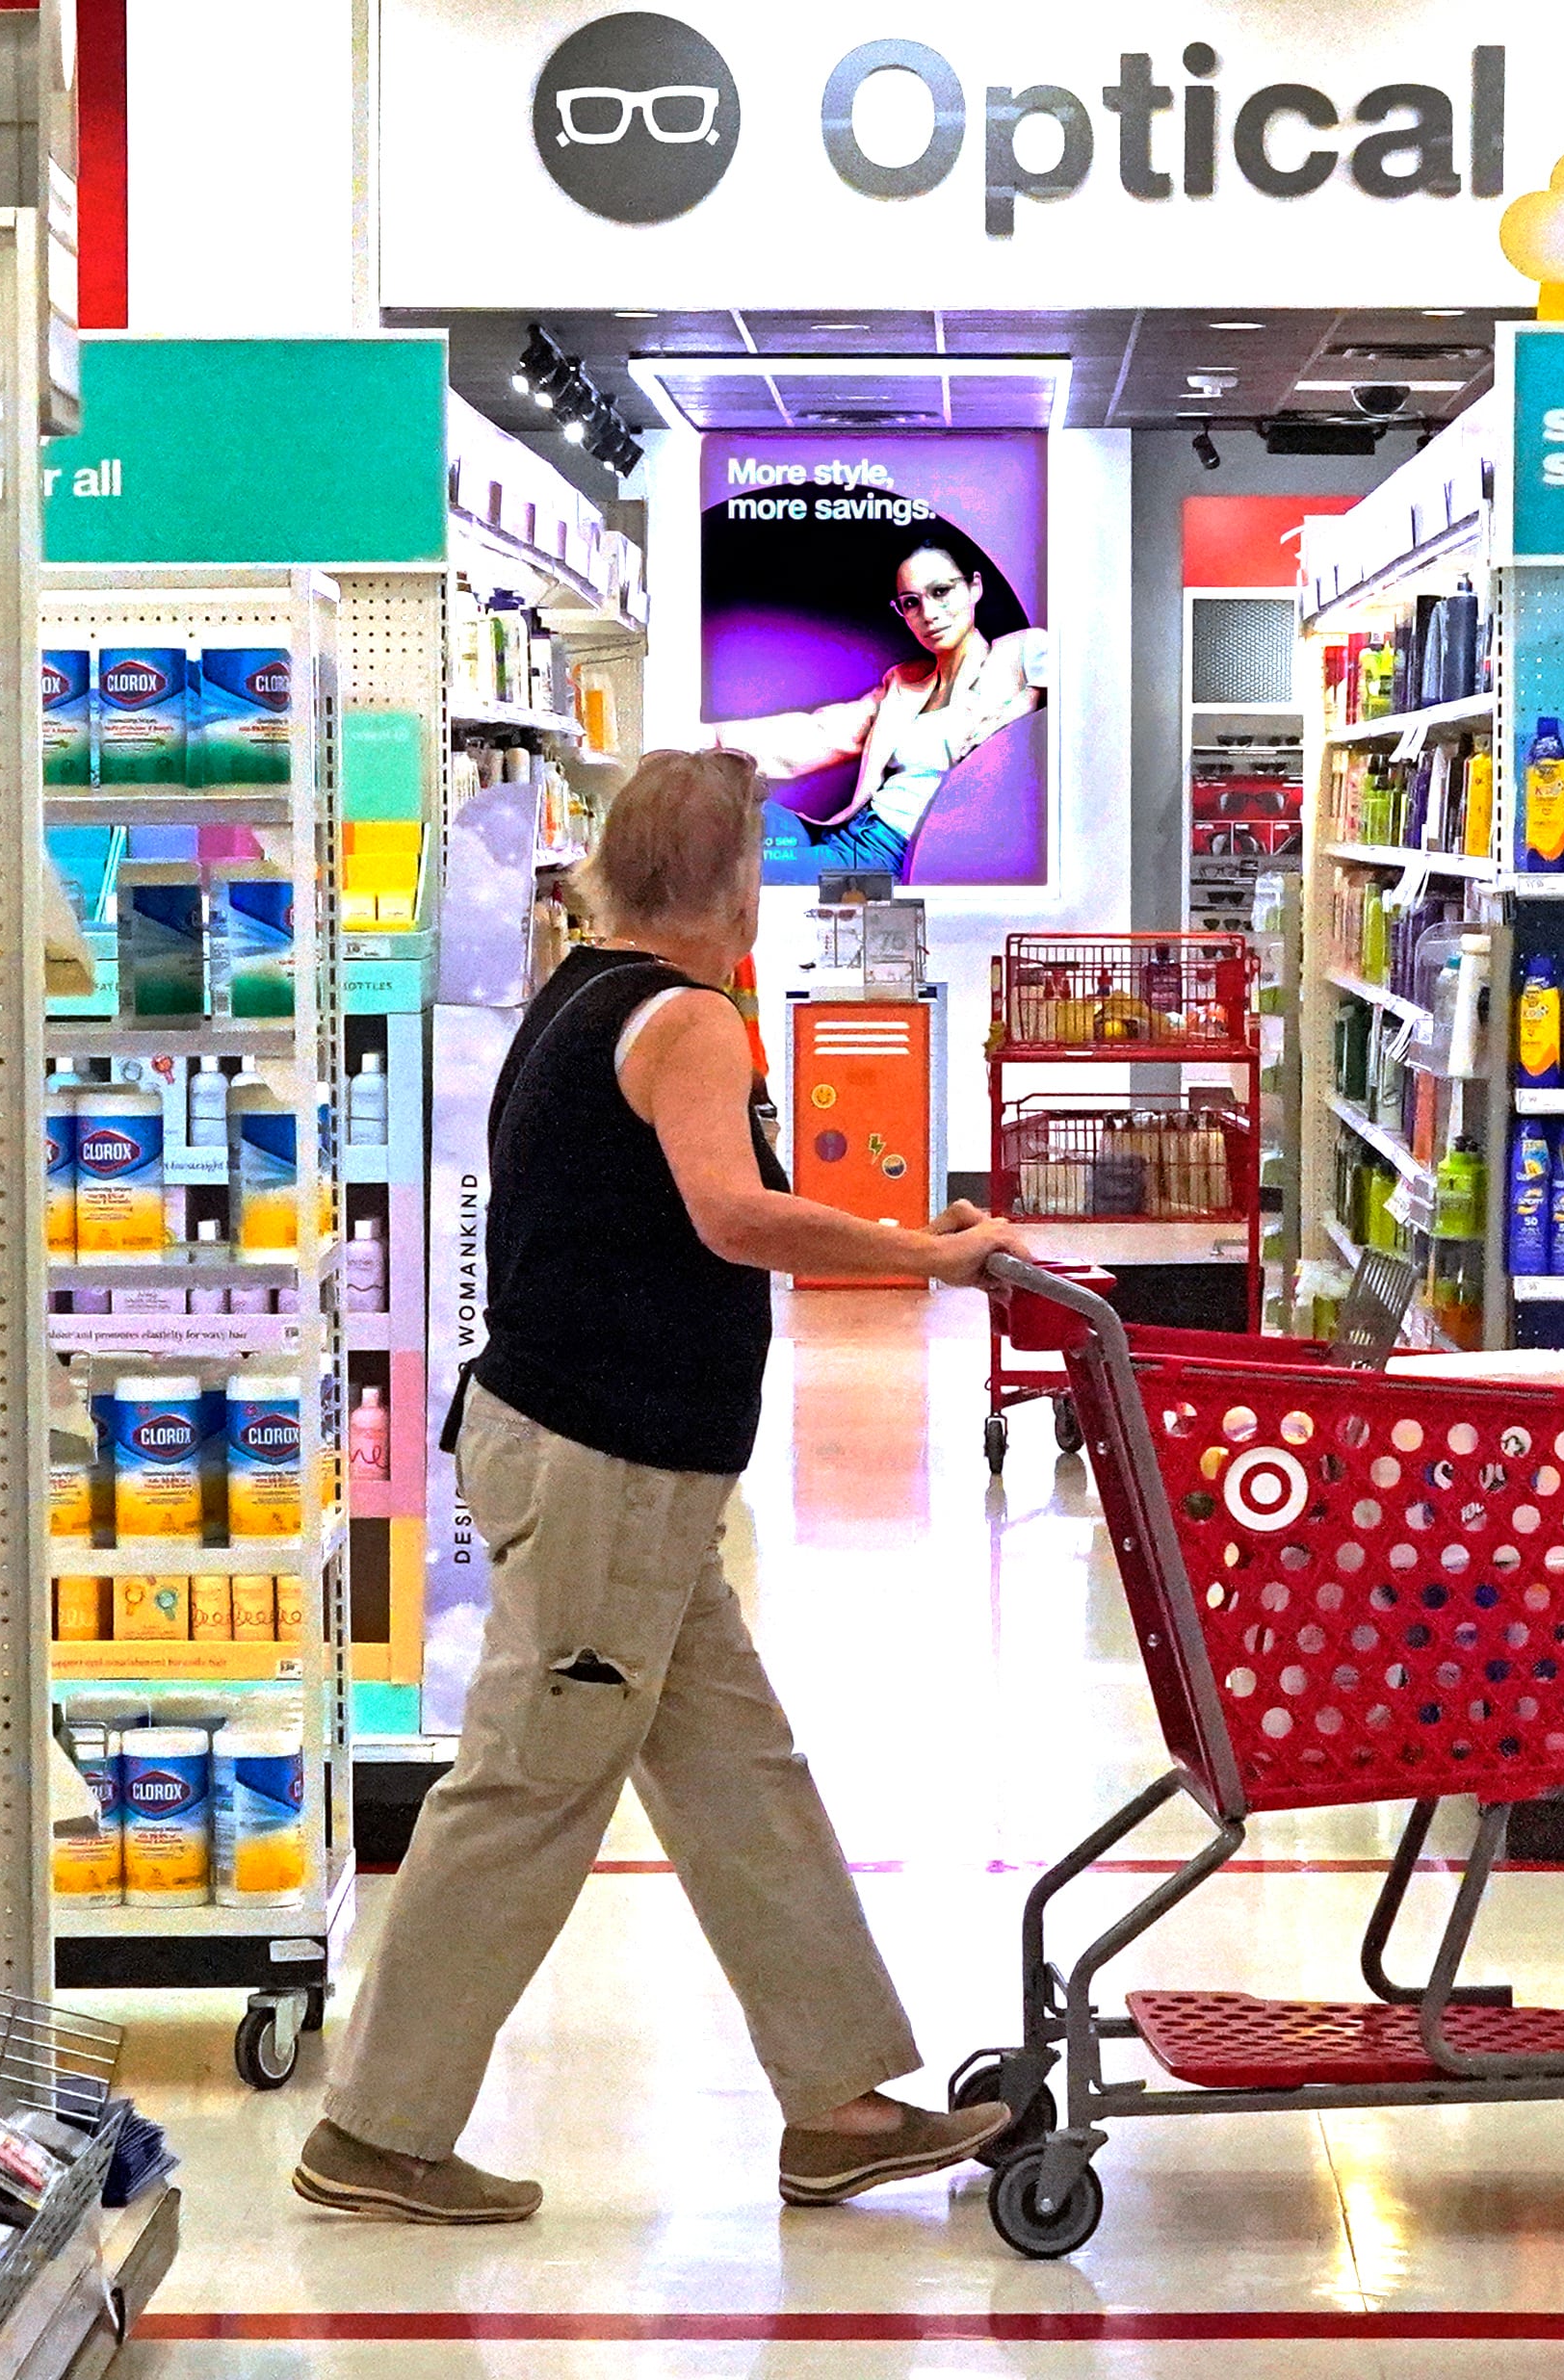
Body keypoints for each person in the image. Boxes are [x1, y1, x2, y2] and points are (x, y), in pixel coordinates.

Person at [292, 749, 1028, 2226]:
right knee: (527, 1784)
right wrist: (926, 1257)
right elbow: (732, 1214)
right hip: (605, 1467)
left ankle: (837, 2104)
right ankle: (376, 2130)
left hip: (599, 1458)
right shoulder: (685, 1019)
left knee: (738, 1778)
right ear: (732, 887)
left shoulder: (577, 992)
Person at [709, 537, 1053, 873]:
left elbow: (1082, 688)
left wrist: (1024, 704)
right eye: (911, 602)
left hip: (891, 857)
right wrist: (709, 740)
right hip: (849, 833)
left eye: (941, 592)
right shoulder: (905, 683)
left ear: (974, 587)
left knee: (732, 873)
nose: (929, 614)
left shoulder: (1020, 654)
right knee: (713, 811)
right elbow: (822, 732)